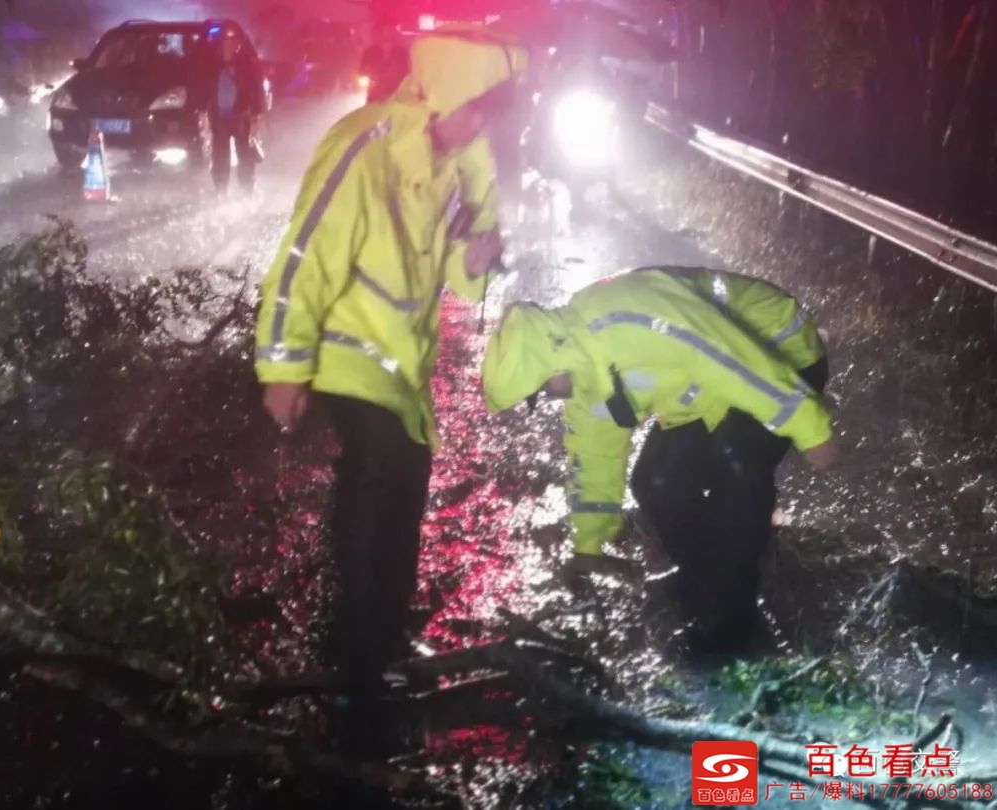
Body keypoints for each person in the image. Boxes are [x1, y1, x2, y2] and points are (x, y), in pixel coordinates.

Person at [255, 29, 528, 717]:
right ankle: (350, 649)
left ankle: (378, 641)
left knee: (403, 490)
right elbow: (305, 255)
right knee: (374, 483)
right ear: (443, 98)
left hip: (403, 364)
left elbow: (459, 270)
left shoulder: (456, 160)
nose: (482, 122)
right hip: (348, 354)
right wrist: (283, 365)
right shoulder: (364, 144)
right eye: (476, 107)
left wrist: (480, 251)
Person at [481, 266, 838, 654]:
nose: (547, 400)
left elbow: (731, 359)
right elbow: (593, 455)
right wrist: (589, 545)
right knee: (654, 481)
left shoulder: (627, 317)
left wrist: (810, 428)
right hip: (708, 392)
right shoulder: (585, 371)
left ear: (552, 362)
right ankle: (708, 576)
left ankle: (732, 634)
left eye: (540, 391)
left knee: (735, 481)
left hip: (776, 355)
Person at [208, 27, 265, 194]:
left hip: (240, 117)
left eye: (232, 43)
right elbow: (205, 88)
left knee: (245, 156)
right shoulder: (212, 65)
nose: (229, 47)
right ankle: (221, 190)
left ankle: (247, 189)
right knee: (220, 157)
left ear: (237, 45)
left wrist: (256, 113)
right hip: (219, 118)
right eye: (225, 43)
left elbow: (254, 89)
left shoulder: (246, 65)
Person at [358, 22, 410, 103]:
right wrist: (367, 75)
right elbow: (363, 69)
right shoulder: (370, 51)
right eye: (383, 31)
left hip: (396, 93)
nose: (386, 34)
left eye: (389, 31)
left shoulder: (401, 52)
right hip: (375, 92)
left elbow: (406, 71)